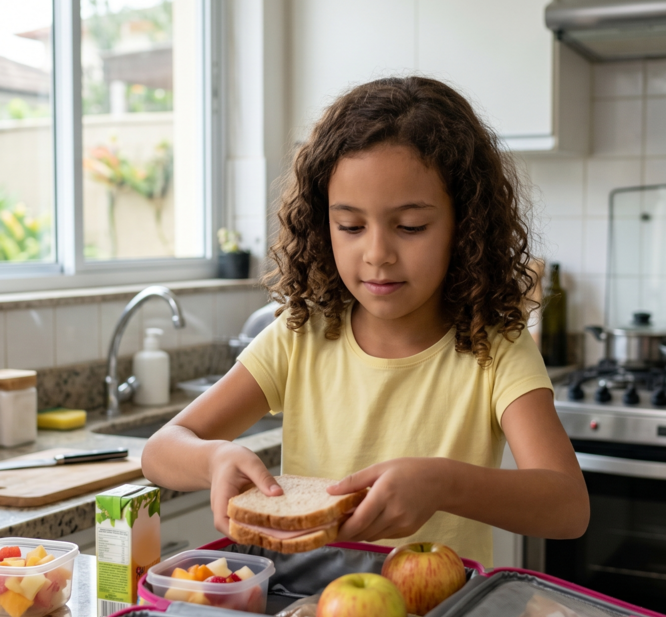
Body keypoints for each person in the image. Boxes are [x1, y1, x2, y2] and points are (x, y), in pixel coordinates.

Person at [142, 77, 588, 566]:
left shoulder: (495, 347)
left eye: (411, 227)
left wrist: (442, 483)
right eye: (350, 226)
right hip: (308, 613)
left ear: (465, 227)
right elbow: (160, 452)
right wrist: (214, 460)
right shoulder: (298, 338)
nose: (377, 255)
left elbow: (568, 507)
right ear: (321, 223)